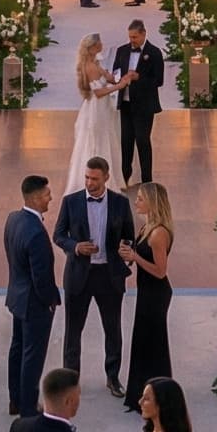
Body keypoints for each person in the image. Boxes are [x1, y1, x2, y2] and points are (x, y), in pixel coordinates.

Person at [55, 157, 135, 399]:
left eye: (95, 179)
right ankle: (70, 381)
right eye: (87, 178)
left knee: (113, 329)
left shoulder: (120, 203)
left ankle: (113, 377)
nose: (89, 183)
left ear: (106, 178)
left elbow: (129, 235)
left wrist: (126, 249)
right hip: (79, 275)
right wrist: (76, 247)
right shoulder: (71, 202)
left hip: (109, 276)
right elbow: (58, 235)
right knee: (73, 332)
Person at [2, 175, 61, 415]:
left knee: (18, 349)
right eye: (47, 194)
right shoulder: (36, 232)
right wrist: (50, 301)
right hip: (34, 304)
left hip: (17, 297)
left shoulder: (13, 219)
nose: (51, 198)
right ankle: (28, 408)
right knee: (32, 357)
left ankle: (15, 400)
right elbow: (41, 276)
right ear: (36, 199)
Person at [120, 181, 175, 408]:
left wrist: (135, 257)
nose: (136, 202)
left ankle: (158, 394)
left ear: (153, 202)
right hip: (146, 291)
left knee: (153, 342)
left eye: (141, 198)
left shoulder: (158, 233)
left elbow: (160, 271)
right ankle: (142, 391)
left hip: (156, 294)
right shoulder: (146, 228)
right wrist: (130, 255)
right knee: (142, 341)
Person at [111, 21, 165, 185]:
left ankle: (147, 179)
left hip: (144, 105)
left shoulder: (154, 53)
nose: (132, 40)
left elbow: (158, 80)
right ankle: (124, 177)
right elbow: (116, 72)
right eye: (130, 37)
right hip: (126, 104)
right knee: (126, 141)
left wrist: (138, 77)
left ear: (143, 34)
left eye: (135, 37)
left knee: (142, 140)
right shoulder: (122, 51)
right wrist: (116, 79)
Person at [67, 36, 121, 185]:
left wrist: (113, 77)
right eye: (99, 44)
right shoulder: (90, 67)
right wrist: (119, 86)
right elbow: (98, 92)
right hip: (97, 108)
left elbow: (107, 78)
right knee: (98, 138)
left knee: (106, 136)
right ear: (92, 48)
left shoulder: (95, 63)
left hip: (103, 106)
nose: (102, 45)